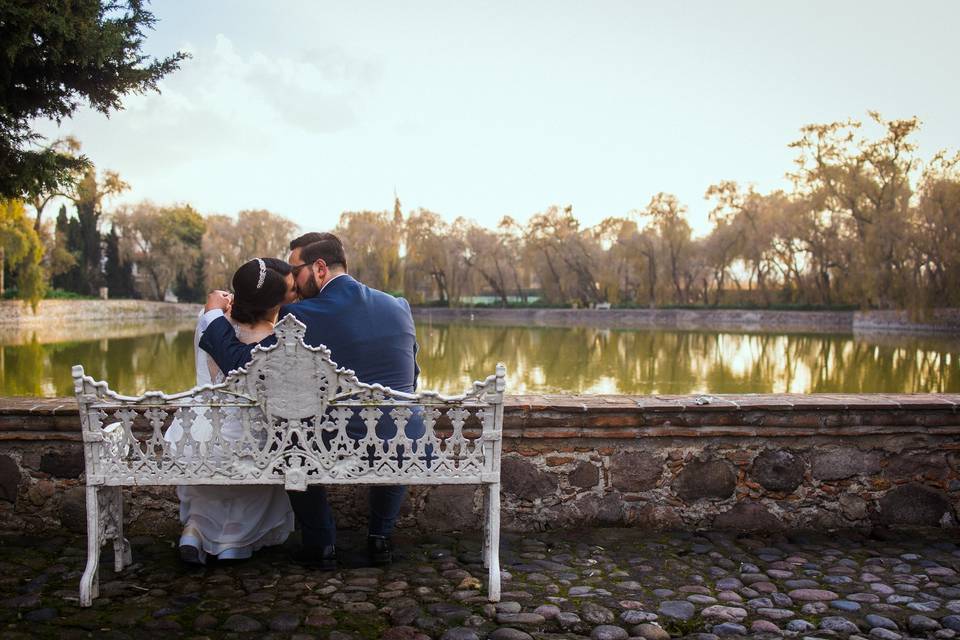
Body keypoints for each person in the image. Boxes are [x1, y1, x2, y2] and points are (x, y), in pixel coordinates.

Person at [198, 233, 420, 569]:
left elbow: (241, 364)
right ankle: (380, 537)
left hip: (332, 446)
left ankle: (321, 544)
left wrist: (213, 316)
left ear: (318, 268)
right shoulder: (398, 306)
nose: (293, 281)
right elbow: (412, 377)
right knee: (392, 426)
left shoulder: (300, 315)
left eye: (294, 269)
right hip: (407, 443)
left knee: (292, 437)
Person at [167, 257, 298, 565]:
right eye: (288, 292)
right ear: (271, 305)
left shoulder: (208, 319)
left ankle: (194, 531)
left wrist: (214, 310)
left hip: (193, 437)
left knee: (211, 461)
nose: (293, 296)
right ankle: (234, 542)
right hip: (248, 444)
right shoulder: (274, 339)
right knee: (255, 448)